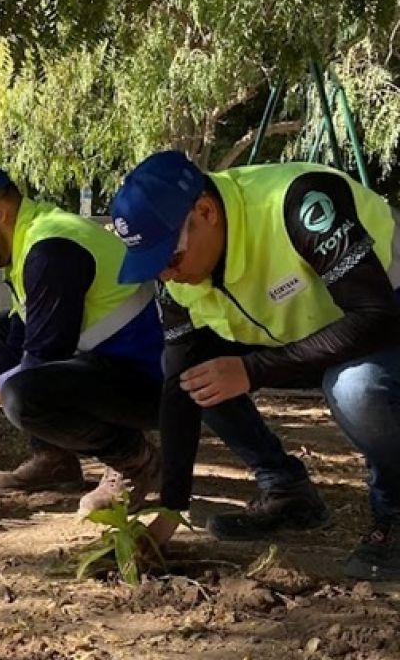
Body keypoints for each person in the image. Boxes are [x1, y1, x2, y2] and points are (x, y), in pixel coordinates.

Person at [110, 149, 400, 581]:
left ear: (205, 211)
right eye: (154, 266)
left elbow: (375, 316)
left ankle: (393, 510)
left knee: (357, 388)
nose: (167, 276)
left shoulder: (298, 203)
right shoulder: (176, 280)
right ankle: (288, 492)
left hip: (383, 315)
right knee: (200, 379)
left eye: (169, 259)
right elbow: (178, 383)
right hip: (294, 333)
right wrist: (173, 505)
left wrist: (253, 371)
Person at [0, 162, 164, 514]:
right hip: (114, 370)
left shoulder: (49, 251)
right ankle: (54, 459)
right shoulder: (29, 244)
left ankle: (134, 461)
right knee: (8, 344)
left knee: (24, 395)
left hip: (154, 384)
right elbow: (9, 360)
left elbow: (34, 370)